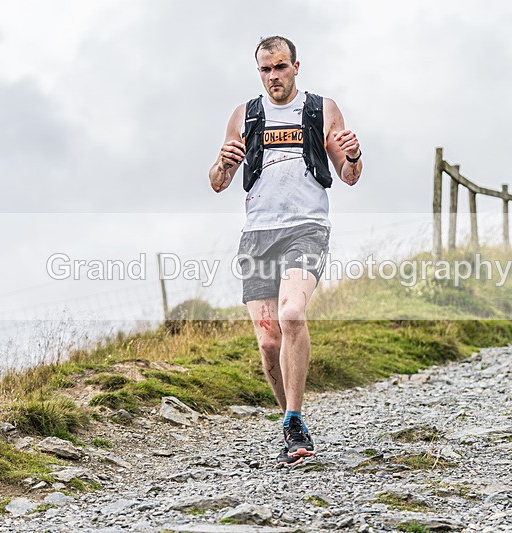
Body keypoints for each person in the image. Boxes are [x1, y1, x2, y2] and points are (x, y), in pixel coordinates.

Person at [208, 35, 363, 467]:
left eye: (280, 67)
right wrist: (222, 162)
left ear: (296, 66)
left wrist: (353, 154)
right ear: (259, 72)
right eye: (265, 69)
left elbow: (349, 175)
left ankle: (293, 419)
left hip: (306, 228)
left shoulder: (321, 109)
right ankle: (292, 425)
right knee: (268, 340)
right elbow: (219, 182)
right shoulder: (245, 115)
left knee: (292, 314)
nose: (274, 76)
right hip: (259, 234)